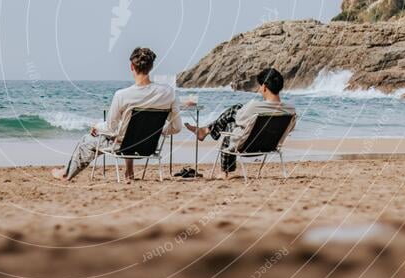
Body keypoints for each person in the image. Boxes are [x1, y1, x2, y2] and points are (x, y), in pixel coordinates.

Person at [52, 47, 182, 182]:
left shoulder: (122, 95)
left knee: (87, 140)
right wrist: (157, 131)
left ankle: (65, 174)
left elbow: (110, 128)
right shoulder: (168, 92)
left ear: (132, 66)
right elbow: (177, 127)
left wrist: (96, 127)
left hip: (124, 147)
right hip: (149, 147)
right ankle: (129, 171)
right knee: (127, 130)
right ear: (151, 67)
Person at [185, 67, 296, 177]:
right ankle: (205, 130)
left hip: (246, 147)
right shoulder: (291, 110)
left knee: (231, 120)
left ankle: (224, 170)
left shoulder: (254, 106)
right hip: (271, 146)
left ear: (265, 87)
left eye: (260, 85)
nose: (259, 89)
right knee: (236, 112)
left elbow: (238, 119)